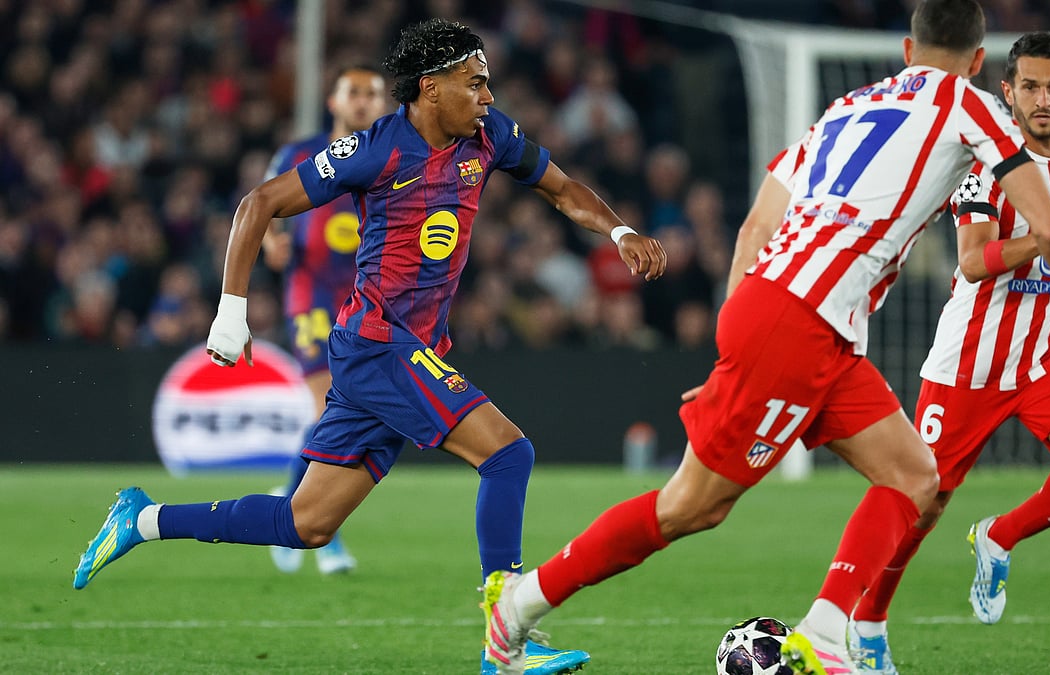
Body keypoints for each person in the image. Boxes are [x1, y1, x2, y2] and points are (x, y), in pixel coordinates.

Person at [479, 2, 1050, 674]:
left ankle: (827, 634)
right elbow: (1049, 228)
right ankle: (514, 613)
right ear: (981, 61)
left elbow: (754, 227)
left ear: (907, 50)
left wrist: (736, 344)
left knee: (914, 474)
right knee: (690, 506)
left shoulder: (848, 106)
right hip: (800, 318)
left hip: (801, 318)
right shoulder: (976, 107)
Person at [73, 19, 666, 675]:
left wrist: (618, 231)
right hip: (380, 343)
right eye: (475, 84)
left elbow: (560, 189)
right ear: (430, 88)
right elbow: (259, 202)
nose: (489, 98)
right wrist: (231, 310)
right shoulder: (374, 150)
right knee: (508, 453)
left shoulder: (490, 136)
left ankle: (143, 519)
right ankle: (507, 638)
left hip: (399, 351)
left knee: (307, 524)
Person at [845, 32, 1050, 674]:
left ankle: (999, 536)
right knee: (923, 499)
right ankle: (868, 621)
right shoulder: (984, 165)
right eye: (1029, 86)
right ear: (1007, 91)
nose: (1043, 98)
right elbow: (973, 262)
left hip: (1048, 353)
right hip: (970, 361)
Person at [258, 64, 389, 576]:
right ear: (333, 102)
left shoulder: (391, 154)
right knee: (328, 401)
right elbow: (263, 204)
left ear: (383, 105)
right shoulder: (298, 154)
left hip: (368, 298)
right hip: (312, 294)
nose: (361, 102)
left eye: (371, 95)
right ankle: (315, 527)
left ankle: (293, 506)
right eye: (353, 93)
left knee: (348, 409)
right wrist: (271, 241)